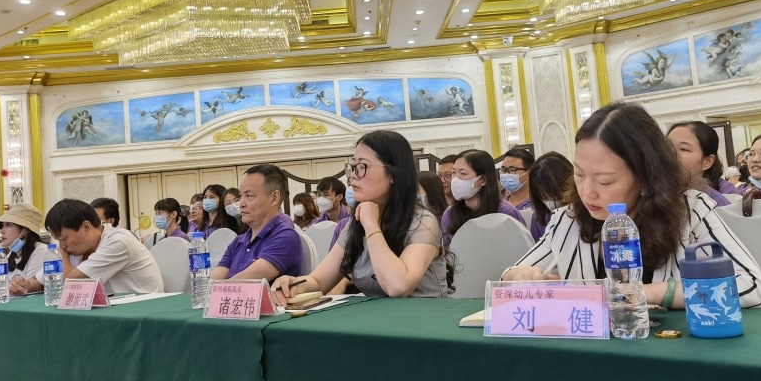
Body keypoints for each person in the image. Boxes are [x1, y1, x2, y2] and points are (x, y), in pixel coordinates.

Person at [503, 102, 761, 311]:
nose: (587, 192)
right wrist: (519, 276)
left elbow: (752, 286)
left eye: (605, 180)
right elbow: (510, 277)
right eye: (580, 174)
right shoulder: (568, 220)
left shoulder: (690, 211)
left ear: (645, 175)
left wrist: (656, 293)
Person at [273, 130, 449, 301]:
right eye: (353, 167)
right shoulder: (355, 225)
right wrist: (294, 284)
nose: (353, 177)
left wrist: (371, 225)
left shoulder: (423, 222)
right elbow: (319, 281)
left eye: (362, 167)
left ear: (394, 174)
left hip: (426, 317)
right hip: (380, 319)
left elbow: (398, 286)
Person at [43, 198, 163, 294]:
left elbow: (70, 285)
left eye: (63, 239)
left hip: (143, 310)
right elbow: (42, 280)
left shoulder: (118, 241)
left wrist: (62, 255)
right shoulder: (78, 247)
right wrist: (31, 283)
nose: (62, 245)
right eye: (58, 240)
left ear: (86, 227)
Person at [210, 165, 303, 282]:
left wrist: (215, 288)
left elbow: (242, 284)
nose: (241, 204)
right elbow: (213, 282)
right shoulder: (237, 242)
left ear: (274, 198)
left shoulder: (286, 237)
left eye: (248, 196)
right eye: (241, 196)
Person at [441, 149, 525, 247]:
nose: (455, 179)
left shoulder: (506, 212)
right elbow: (448, 250)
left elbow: (520, 248)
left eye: (463, 173)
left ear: (483, 179)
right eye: (453, 172)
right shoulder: (450, 213)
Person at [666, 121, 734, 206]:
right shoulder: (656, 194)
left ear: (707, 162)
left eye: (683, 149)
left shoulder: (717, 206)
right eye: (667, 146)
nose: (671, 153)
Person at [0, 203, 48, 295]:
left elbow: (28, 291)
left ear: (25, 230)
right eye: (3, 225)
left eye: (8, 225)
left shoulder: (42, 251)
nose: (1, 230)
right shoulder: (11, 254)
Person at [527, 151, 573, 242]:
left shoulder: (586, 211)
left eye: (554, 196)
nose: (550, 202)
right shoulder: (539, 218)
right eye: (544, 197)